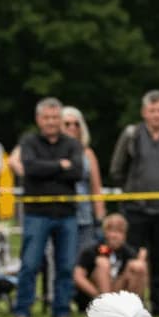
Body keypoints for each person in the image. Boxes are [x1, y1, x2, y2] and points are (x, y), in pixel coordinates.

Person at [110, 89, 159, 317]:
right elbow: (116, 169)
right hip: (135, 209)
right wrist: (132, 190)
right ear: (144, 112)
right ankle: (133, 308)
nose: (156, 115)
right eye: (152, 110)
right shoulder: (131, 135)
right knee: (133, 260)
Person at [13, 97, 83, 317]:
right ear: (38, 119)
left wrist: (48, 169)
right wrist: (60, 166)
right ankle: (23, 310)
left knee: (66, 266)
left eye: (55, 117)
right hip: (36, 212)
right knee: (30, 264)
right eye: (47, 117)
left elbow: (77, 172)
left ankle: (61, 311)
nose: (51, 122)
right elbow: (30, 169)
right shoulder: (29, 141)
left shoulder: (72, 143)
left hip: (66, 214)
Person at [72, 213, 146, 312]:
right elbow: (78, 276)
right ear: (104, 232)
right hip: (94, 296)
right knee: (103, 263)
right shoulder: (92, 250)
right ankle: (106, 306)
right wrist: (98, 296)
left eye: (119, 231)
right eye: (111, 231)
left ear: (124, 235)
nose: (114, 235)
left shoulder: (127, 251)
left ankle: (133, 308)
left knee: (138, 266)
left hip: (117, 290)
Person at [59, 106, 106, 251]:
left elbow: (96, 187)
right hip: (58, 215)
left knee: (84, 261)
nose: (72, 127)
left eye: (76, 124)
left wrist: (100, 219)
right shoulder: (50, 150)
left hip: (84, 217)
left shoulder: (88, 153)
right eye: (67, 124)